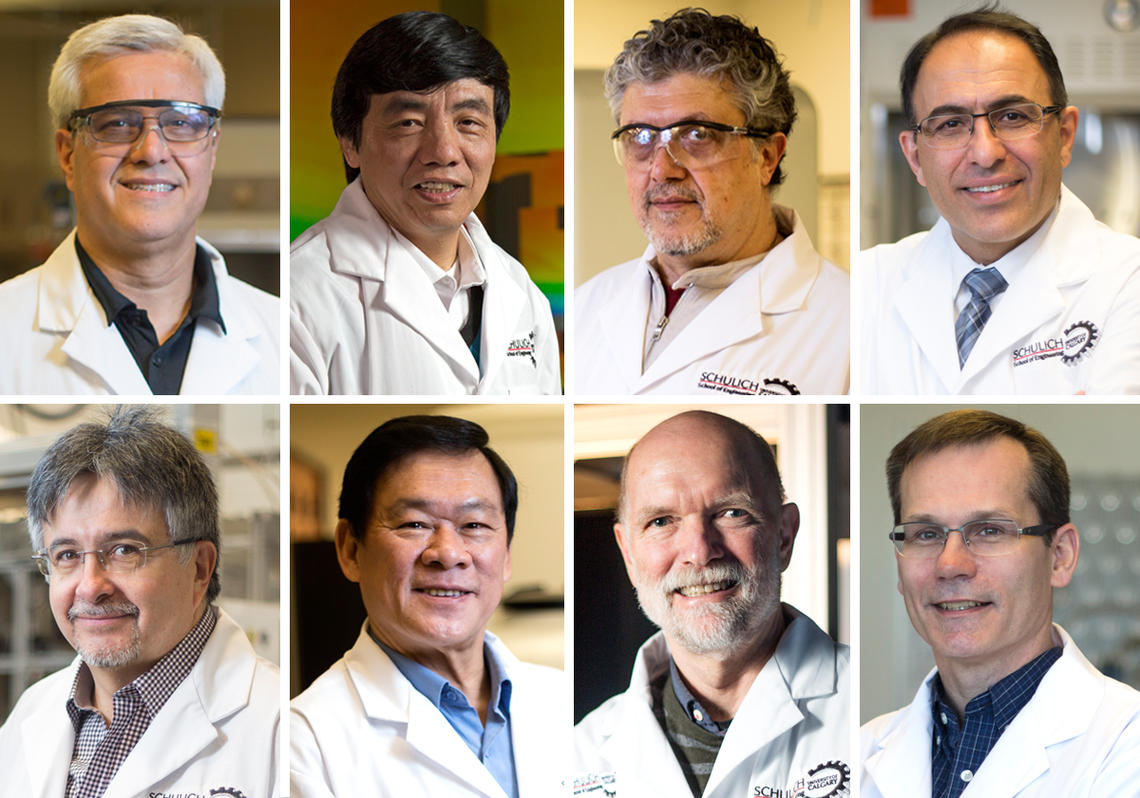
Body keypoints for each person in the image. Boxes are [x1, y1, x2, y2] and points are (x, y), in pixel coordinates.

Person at [0, 407, 279, 796]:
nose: (90, 586)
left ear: (199, 567)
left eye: (124, 550)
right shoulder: (30, 716)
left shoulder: (281, 725)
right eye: (66, 555)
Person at [861, 409, 1140, 796]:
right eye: (925, 534)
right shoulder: (856, 753)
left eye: (990, 530)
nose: (950, 564)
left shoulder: (1127, 744)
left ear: (1059, 556)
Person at [861, 9, 1140, 394]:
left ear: (1064, 136)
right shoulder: (864, 287)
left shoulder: (1129, 283)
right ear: (914, 157)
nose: (985, 153)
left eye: (1011, 116)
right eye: (950, 124)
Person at [574, 411, 849, 798]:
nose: (699, 552)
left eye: (732, 513)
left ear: (784, 537)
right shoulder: (578, 758)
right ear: (629, 555)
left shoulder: (869, 712)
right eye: (661, 521)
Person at [0, 14, 279, 395]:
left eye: (181, 122)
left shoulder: (287, 334)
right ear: (67, 155)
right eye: (116, 123)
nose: (151, 151)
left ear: (211, 151)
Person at [575, 9, 849, 396]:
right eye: (639, 136)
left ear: (767, 156)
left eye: (698, 135)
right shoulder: (589, 303)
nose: (661, 170)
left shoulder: (849, 325)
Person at [290, 415, 566, 796]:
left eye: (474, 525)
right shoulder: (302, 745)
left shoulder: (563, 700)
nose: (448, 553)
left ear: (506, 557)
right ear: (350, 549)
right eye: (414, 524)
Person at [290, 12, 561, 396]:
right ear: (350, 142)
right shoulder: (299, 297)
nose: (444, 152)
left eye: (468, 122)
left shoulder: (520, 291)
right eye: (409, 123)